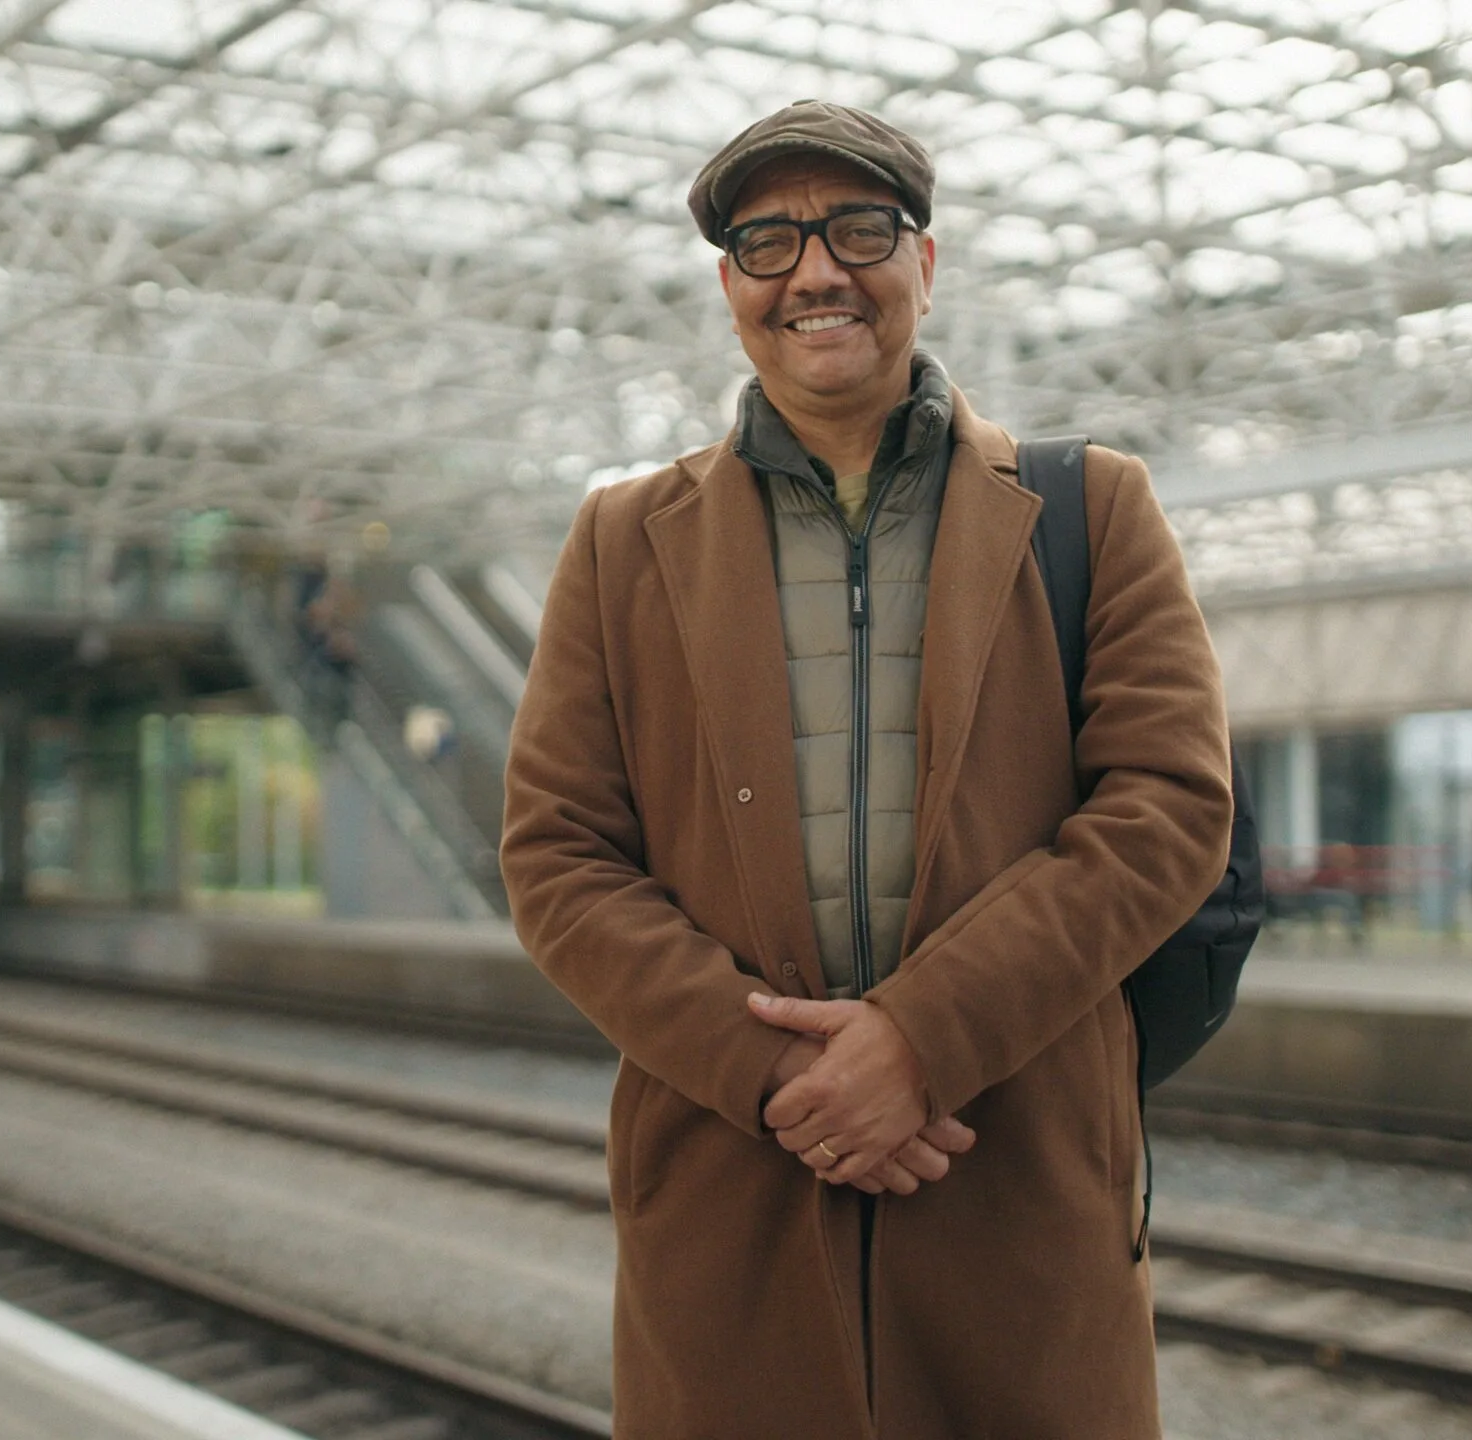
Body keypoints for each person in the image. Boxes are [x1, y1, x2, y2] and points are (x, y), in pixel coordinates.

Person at [499, 101, 1234, 1439]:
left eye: (858, 229)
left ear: (926, 264)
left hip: (1009, 1179)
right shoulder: (622, 543)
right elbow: (557, 855)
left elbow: (1166, 808)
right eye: (768, 242)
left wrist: (921, 1042)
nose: (815, 272)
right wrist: (784, 1073)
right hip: (736, 1189)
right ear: (730, 286)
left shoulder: (1091, 510)